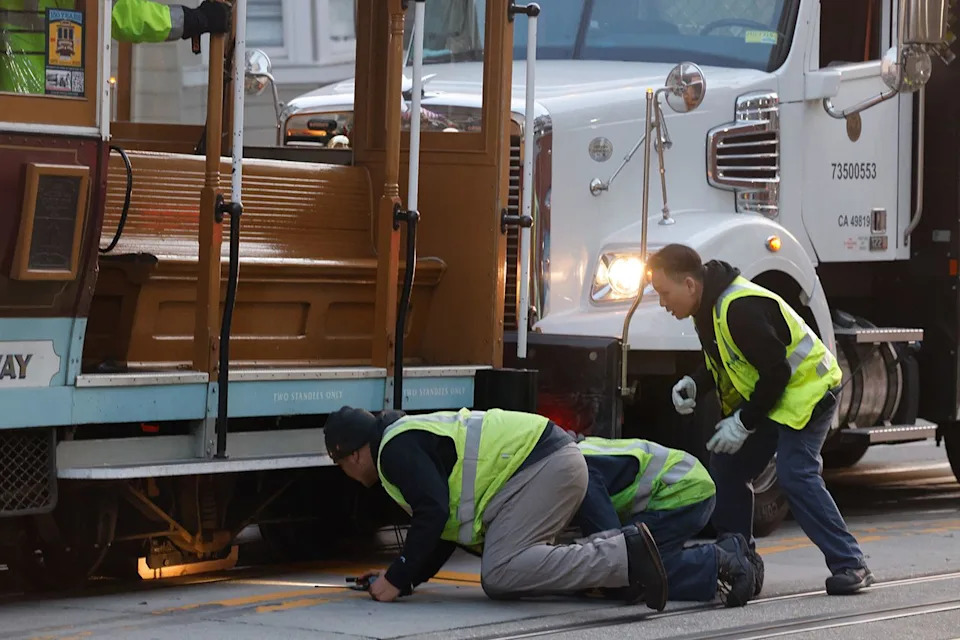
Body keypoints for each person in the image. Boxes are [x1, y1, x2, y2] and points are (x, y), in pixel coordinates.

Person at [647, 243, 874, 595]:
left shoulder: (739, 308)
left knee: (794, 474)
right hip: (776, 397)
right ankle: (738, 561)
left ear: (690, 285)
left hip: (809, 392)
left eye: (664, 293)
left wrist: (743, 422)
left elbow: (777, 373)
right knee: (727, 464)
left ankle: (851, 564)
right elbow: (726, 361)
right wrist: (696, 382)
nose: (663, 303)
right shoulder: (707, 309)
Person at [323, 406, 669, 608]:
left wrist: (397, 575)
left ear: (352, 454)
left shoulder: (392, 452)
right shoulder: (403, 438)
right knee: (509, 569)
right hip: (544, 465)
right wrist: (404, 578)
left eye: (340, 465)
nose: (347, 474)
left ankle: (624, 554)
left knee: (501, 573)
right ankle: (620, 561)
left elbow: (433, 511)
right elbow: (443, 530)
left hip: (542, 466)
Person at [571, 434, 761, 607]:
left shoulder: (580, 472)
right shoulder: (575, 454)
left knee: (627, 568)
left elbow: (612, 550)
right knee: (632, 563)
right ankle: (729, 549)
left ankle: (720, 563)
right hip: (686, 484)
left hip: (684, 490)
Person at [1, 0, 229, 95]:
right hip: (55, 114)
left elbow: (117, 13)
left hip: (48, 113)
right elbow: (120, 14)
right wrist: (192, 20)